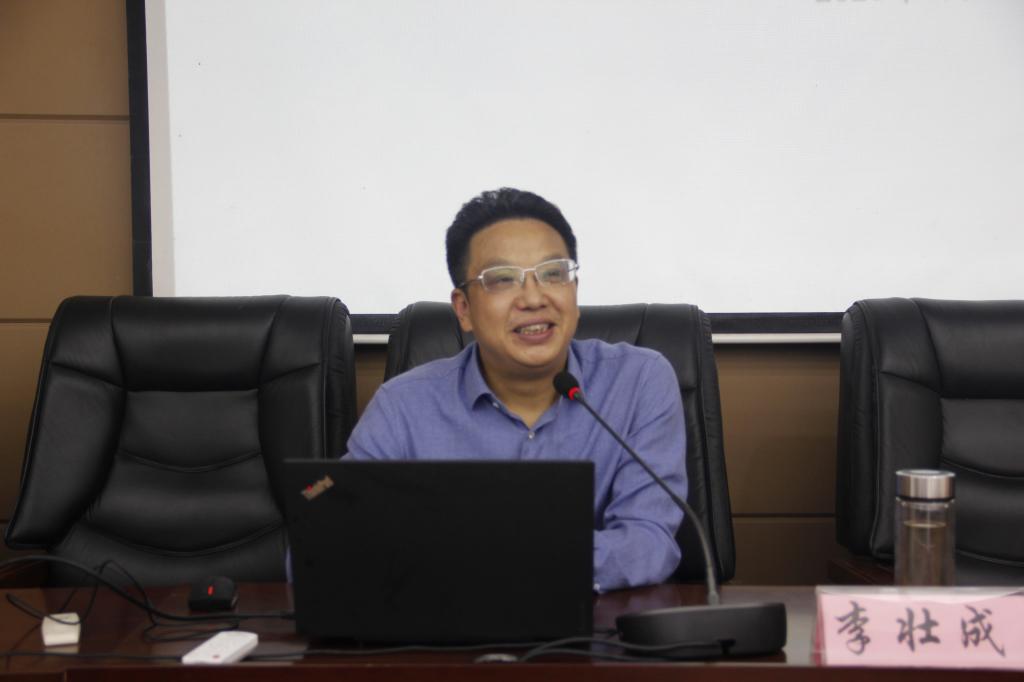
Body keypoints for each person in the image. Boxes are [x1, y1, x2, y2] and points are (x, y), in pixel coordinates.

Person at [347, 188, 687, 591]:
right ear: (464, 309)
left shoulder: (638, 381)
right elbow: (328, 543)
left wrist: (479, 559)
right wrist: (528, 559)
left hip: (593, 625)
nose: (533, 298)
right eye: (503, 279)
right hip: (445, 626)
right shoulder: (403, 406)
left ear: (574, 291)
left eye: (553, 273)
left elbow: (647, 541)